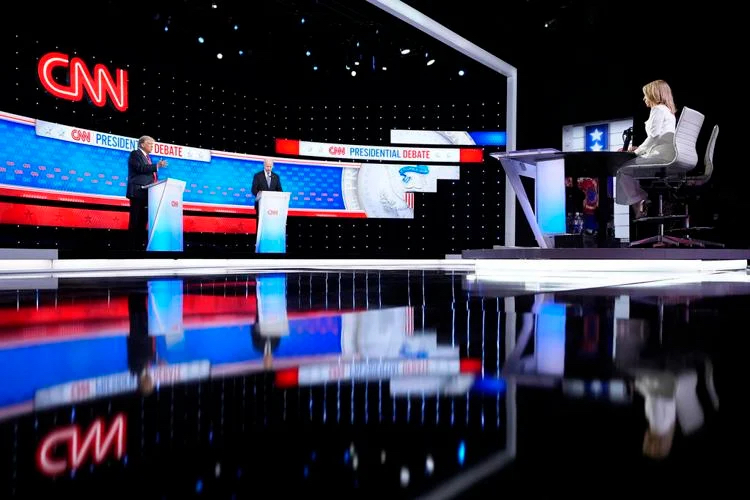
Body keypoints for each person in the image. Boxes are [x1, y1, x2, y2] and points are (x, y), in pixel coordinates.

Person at [616, 80, 677, 218]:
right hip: (667, 154)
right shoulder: (668, 112)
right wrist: (640, 149)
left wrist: (635, 152)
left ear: (654, 94)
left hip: (661, 156)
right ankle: (641, 198)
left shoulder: (658, 109)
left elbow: (654, 136)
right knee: (630, 169)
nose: (644, 98)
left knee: (622, 170)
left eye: (646, 95)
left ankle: (639, 201)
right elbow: (658, 138)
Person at [126, 136, 167, 249]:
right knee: (135, 220)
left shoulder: (147, 157)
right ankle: (131, 248)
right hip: (138, 191)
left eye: (153, 144)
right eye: (150, 144)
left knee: (143, 221)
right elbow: (140, 168)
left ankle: (139, 247)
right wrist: (157, 166)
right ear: (142, 144)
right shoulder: (135, 154)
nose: (152, 146)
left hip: (147, 193)